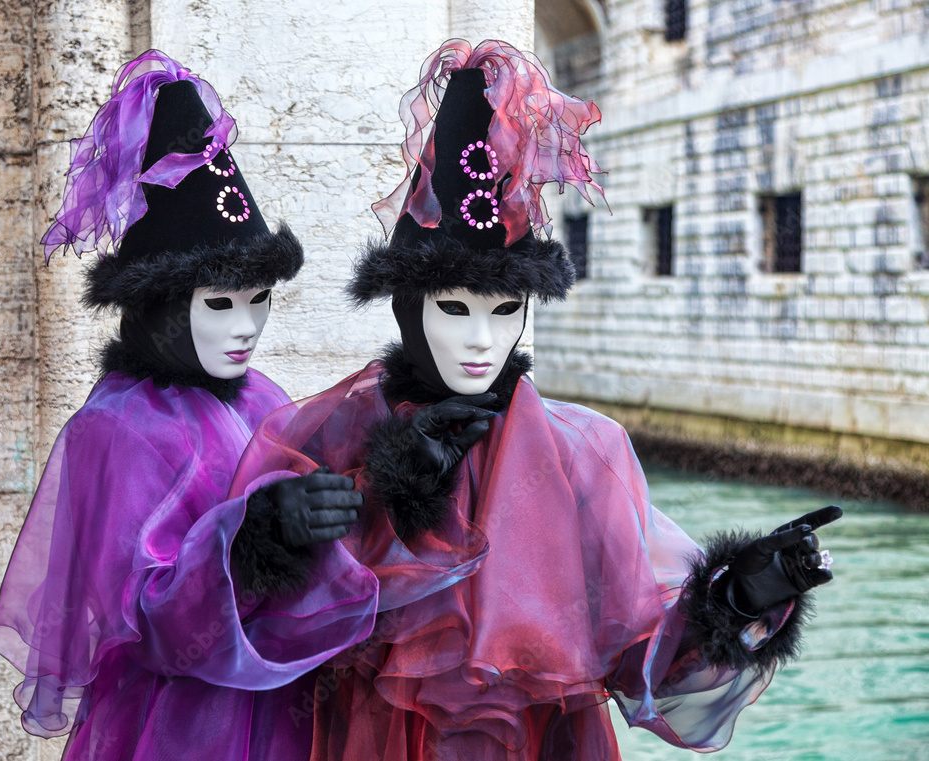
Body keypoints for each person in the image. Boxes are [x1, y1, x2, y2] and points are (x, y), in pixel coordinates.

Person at [227, 39, 841, 761]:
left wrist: (735, 601)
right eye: (454, 309)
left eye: (503, 307)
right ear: (407, 307)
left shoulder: (584, 453)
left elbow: (635, 654)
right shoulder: (326, 432)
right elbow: (255, 633)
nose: (481, 340)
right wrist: (323, 516)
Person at [0, 50, 377, 761]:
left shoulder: (263, 397)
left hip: (282, 715)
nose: (246, 327)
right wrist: (252, 532)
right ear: (162, 300)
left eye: (259, 302)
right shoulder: (114, 428)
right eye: (220, 303)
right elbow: (150, 618)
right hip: (178, 728)